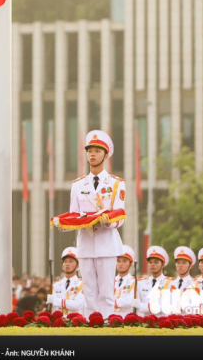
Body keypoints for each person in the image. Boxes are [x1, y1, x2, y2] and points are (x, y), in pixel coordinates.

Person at [67, 130, 126, 317]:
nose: (92, 154)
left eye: (97, 151)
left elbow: (120, 216)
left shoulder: (116, 184)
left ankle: (107, 327)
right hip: (85, 243)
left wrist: (106, 220)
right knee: (89, 292)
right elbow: (73, 214)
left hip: (106, 243)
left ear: (106, 154)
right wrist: (66, 223)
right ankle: (90, 327)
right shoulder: (78, 185)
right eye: (89, 150)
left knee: (106, 294)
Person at [133, 246, 173, 316]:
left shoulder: (170, 284)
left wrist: (141, 306)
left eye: (156, 262)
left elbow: (164, 307)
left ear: (163, 264)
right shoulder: (141, 283)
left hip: (162, 324)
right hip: (144, 324)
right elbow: (137, 309)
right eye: (150, 262)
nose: (152, 265)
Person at [47, 247, 84, 316]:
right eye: (65, 262)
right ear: (62, 266)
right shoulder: (56, 285)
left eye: (71, 261)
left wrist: (55, 300)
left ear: (77, 265)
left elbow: (77, 305)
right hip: (59, 323)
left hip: (75, 323)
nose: (67, 264)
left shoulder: (82, 285)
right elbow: (54, 309)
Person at [113, 245, 136, 314]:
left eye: (124, 261)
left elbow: (131, 301)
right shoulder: (110, 281)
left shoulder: (134, 282)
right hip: (110, 318)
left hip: (127, 319)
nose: (120, 264)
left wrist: (113, 302)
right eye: (118, 261)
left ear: (130, 264)